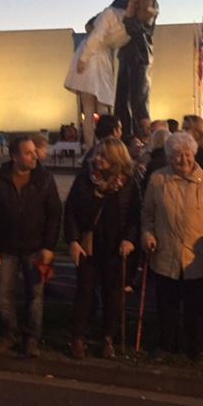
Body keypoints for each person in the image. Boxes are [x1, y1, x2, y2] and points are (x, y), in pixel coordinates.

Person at [141, 132, 203, 358]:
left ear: (194, 154)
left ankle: (197, 347)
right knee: (166, 305)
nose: (183, 159)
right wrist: (147, 235)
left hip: (198, 258)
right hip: (166, 255)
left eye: (187, 154)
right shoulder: (158, 180)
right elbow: (147, 215)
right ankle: (167, 344)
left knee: (197, 307)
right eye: (177, 155)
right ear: (169, 157)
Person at [0, 136, 62, 358]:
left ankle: (32, 339)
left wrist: (49, 246)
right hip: (7, 248)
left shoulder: (44, 180)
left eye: (34, 151)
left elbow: (54, 214)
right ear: (15, 156)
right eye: (28, 153)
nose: (34, 156)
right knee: (2, 294)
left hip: (35, 247)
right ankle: (12, 332)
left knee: (35, 296)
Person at [65, 137, 140, 359]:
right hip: (89, 246)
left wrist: (130, 239)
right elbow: (71, 210)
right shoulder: (85, 179)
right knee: (84, 291)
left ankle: (108, 337)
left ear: (116, 159)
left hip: (115, 247)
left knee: (113, 294)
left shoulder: (127, 183)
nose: (97, 159)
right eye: (97, 154)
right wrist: (73, 240)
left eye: (103, 156)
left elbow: (135, 215)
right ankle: (77, 337)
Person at [64, 5, 127, 149]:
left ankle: (92, 145)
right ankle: (103, 144)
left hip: (87, 81)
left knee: (90, 111)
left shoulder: (87, 44)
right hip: (97, 81)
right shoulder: (103, 44)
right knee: (100, 112)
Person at [111, 0, 160, 138]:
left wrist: (132, 6)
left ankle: (142, 138)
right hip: (125, 54)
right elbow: (108, 15)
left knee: (139, 100)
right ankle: (124, 137)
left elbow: (135, 28)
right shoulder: (121, 0)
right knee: (121, 100)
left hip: (141, 53)